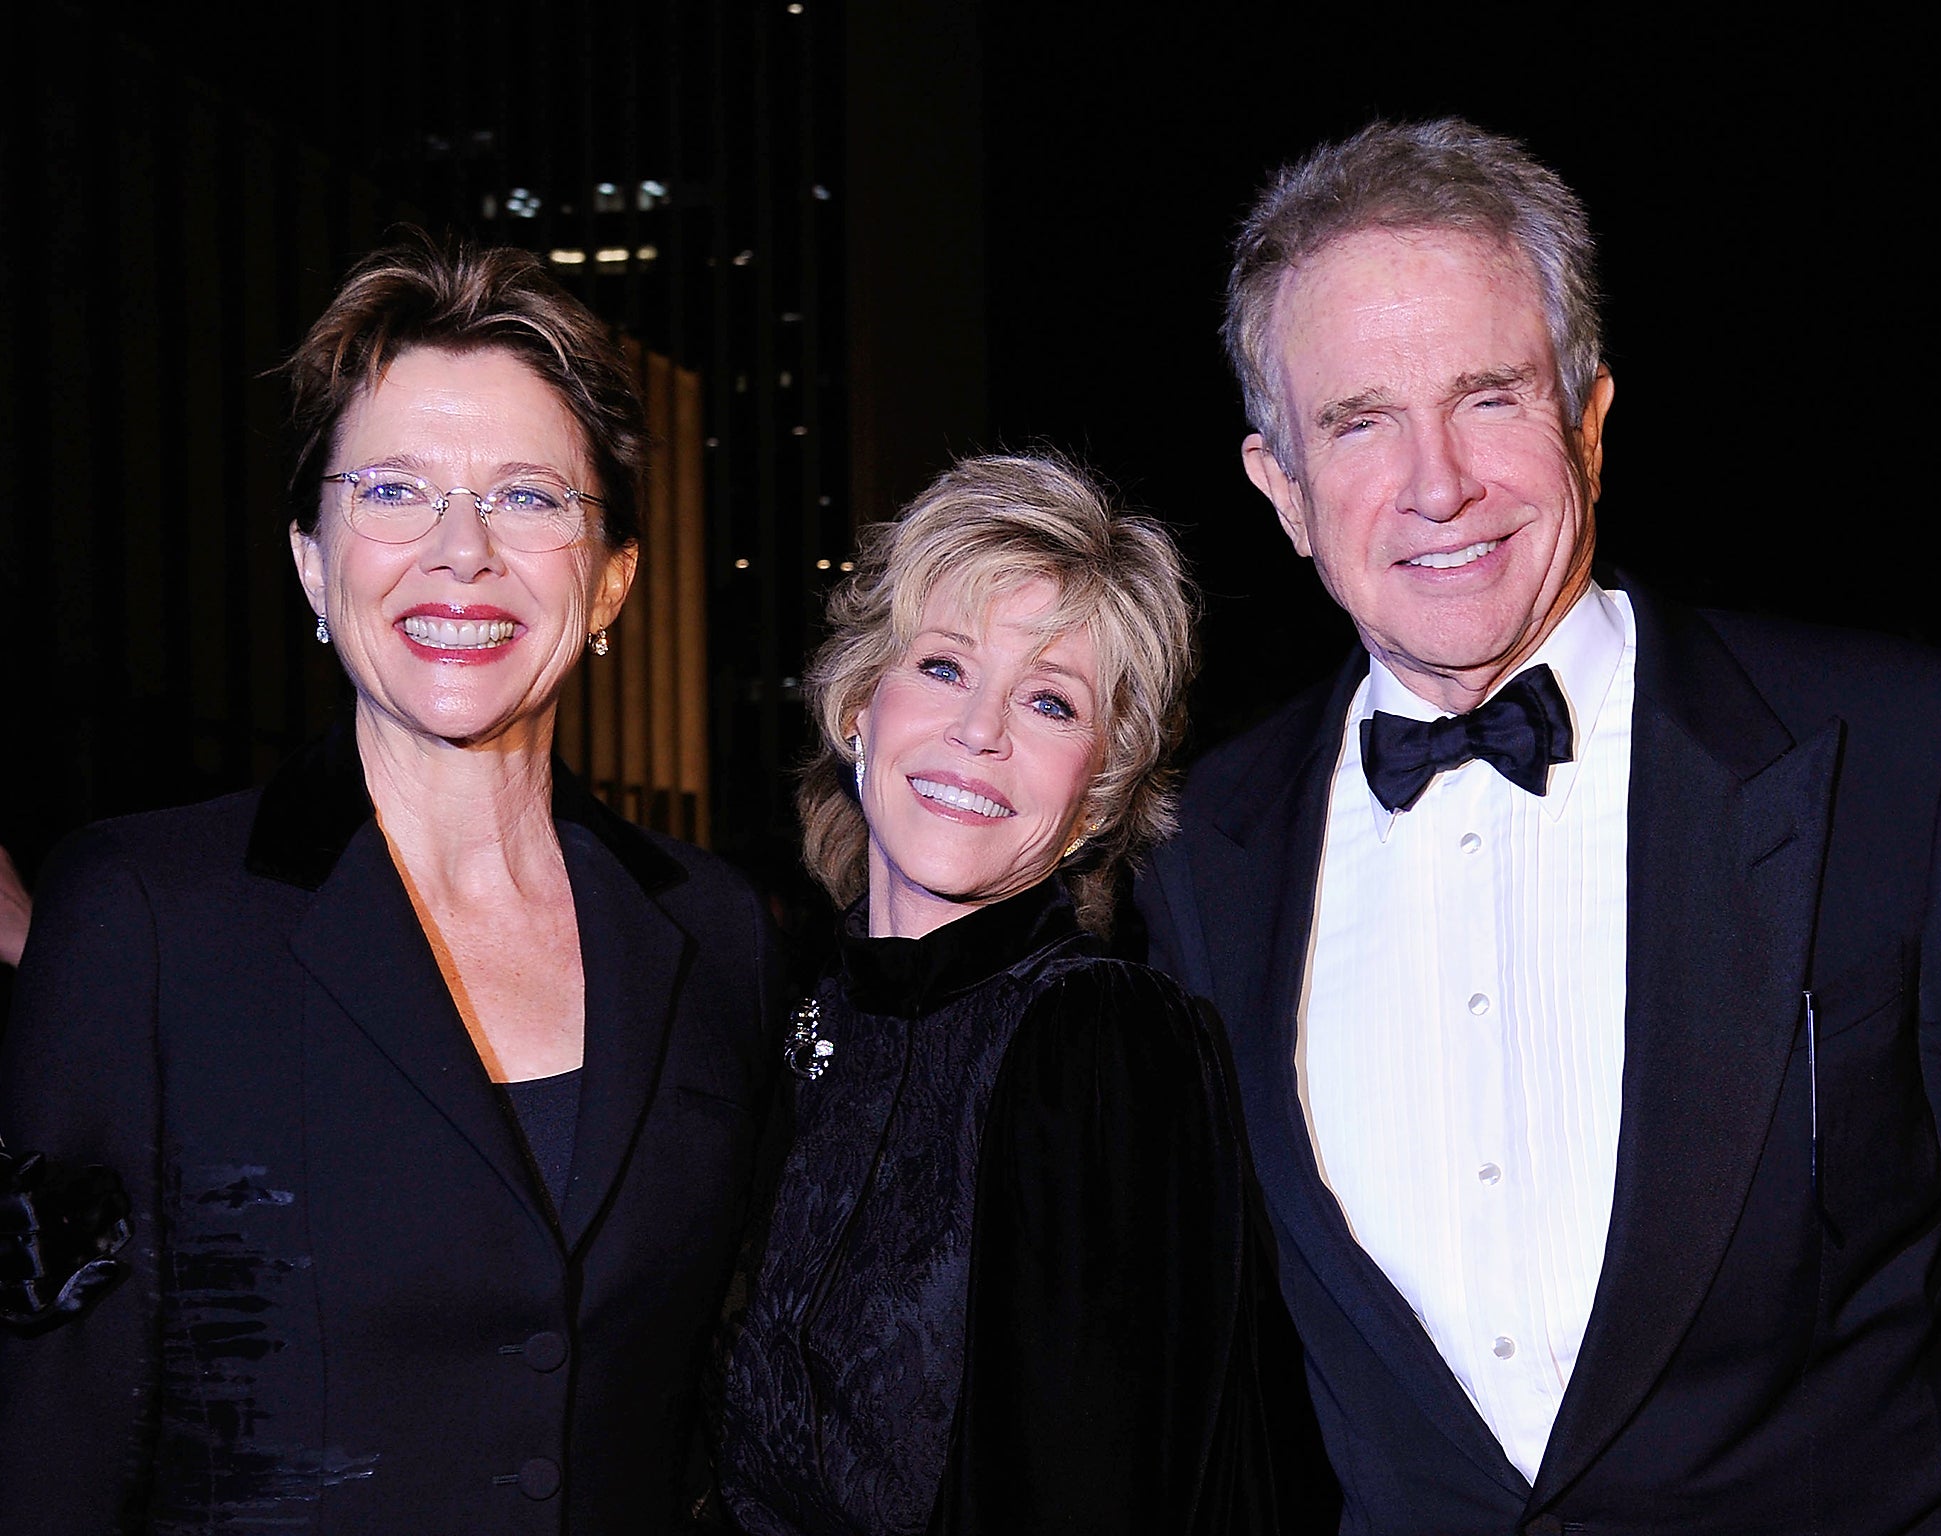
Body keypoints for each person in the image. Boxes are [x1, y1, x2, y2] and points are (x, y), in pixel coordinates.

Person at [1135, 117, 1941, 1533]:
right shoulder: (1199, 855)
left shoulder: (1902, 754)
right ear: (1283, 489)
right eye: (1361, 420)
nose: (1437, 484)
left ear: (1591, 422)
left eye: (1489, 397)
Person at [0, 235, 782, 1531]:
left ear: (612, 583)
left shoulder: (717, 936)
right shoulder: (143, 919)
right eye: (396, 491)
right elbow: (51, 1445)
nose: (461, 551)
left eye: (529, 498)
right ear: (314, 561)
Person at [717, 452, 1332, 1536]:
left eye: (1048, 702)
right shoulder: (787, 1019)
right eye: (945, 668)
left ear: (1096, 794)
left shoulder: (1100, 1044)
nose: (980, 731)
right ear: (861, 704)